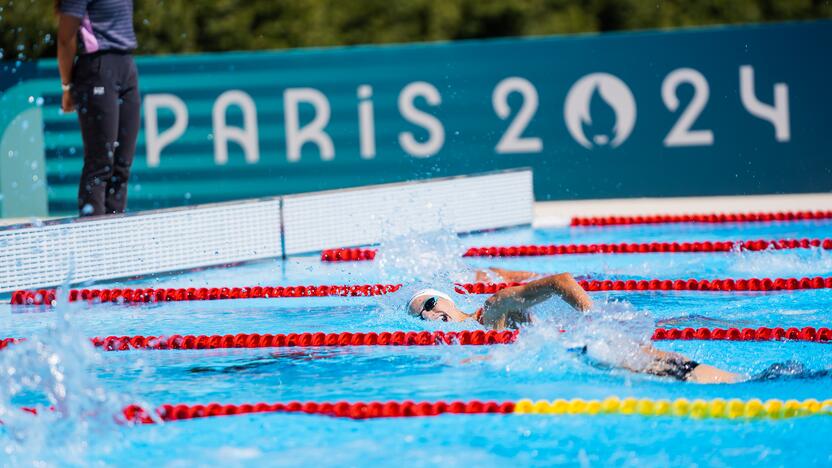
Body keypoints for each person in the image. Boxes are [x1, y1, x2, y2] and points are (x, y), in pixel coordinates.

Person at [407, 272, 742, 384]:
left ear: (447, 301)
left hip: (592, 348)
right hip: (583, 358)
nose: (427, 315)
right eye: (420, 316)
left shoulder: (492, 309)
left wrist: (596, 319)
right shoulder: (469, 346)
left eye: (429, 304)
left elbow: (561, 282)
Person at [56, 0, 140, 216]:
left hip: (126, 63)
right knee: (100, 163)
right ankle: (92, 240)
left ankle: (114, 237)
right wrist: (67, 87)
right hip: (97, 67)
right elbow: (65, 38)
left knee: (122, 165)